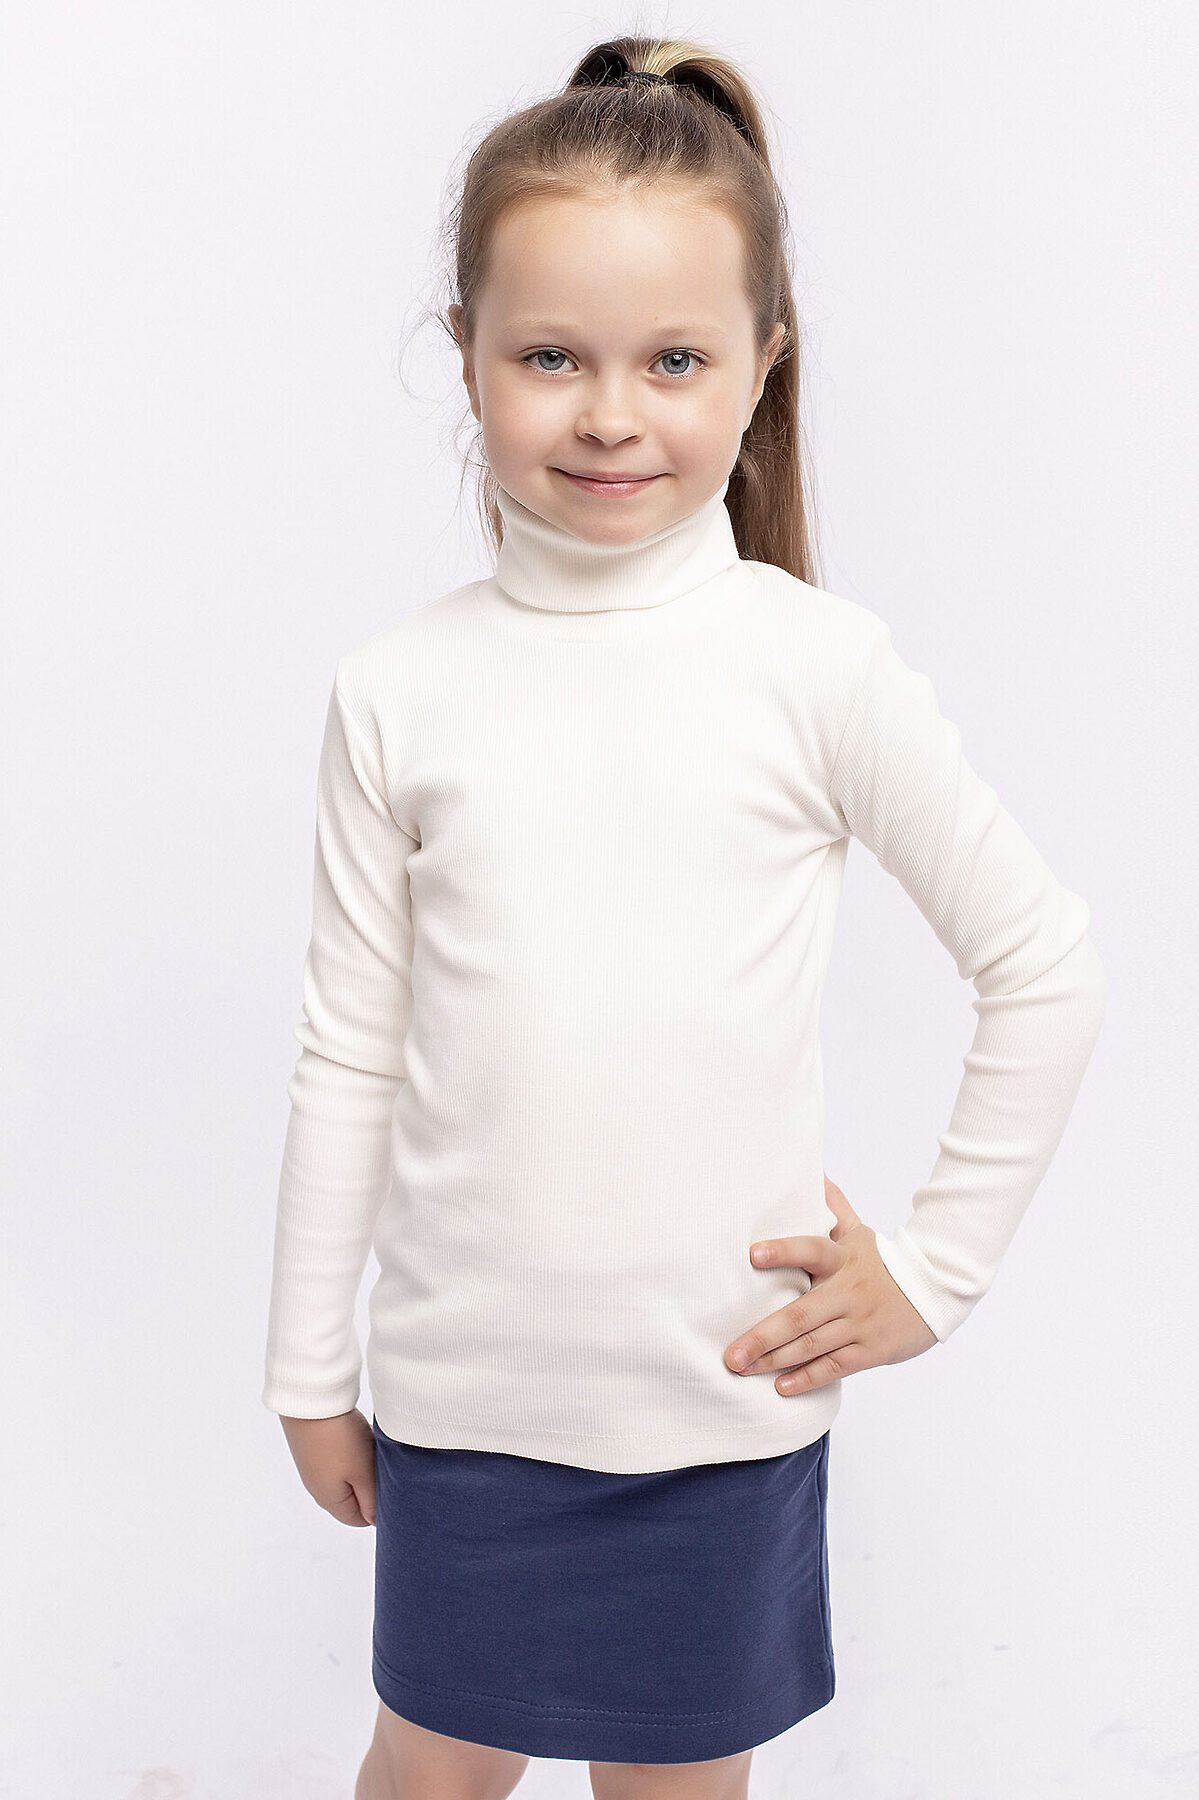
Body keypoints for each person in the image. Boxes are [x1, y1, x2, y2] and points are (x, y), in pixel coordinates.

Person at [261, 33, 1107, 1800]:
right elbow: (349, 1053)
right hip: (464, 1409)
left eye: (673, 359)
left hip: (715, 1409)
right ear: (467, 353)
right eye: (549, 355)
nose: (609, 413)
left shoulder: (814, 669)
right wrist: (307, 1365)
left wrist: (931, 1273)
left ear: (761, 366)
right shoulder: (400, 690)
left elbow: (1042, 964)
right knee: (431, 1765)